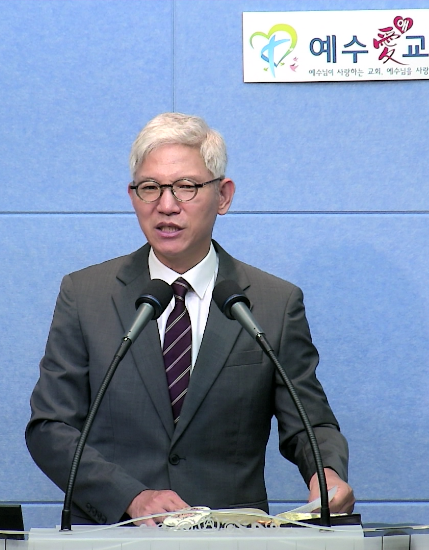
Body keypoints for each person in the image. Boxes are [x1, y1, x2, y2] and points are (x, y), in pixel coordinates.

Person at [25, 113, 354, 526]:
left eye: (186, 186)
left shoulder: (273, 303)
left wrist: (326, 473)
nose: (166, 205)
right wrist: (131, 497)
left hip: (230, 536)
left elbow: (309, 422)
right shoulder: (86, 295)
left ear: (223, 196)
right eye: (150, 188)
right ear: (132, 196)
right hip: (117, 534)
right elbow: (50, 427)